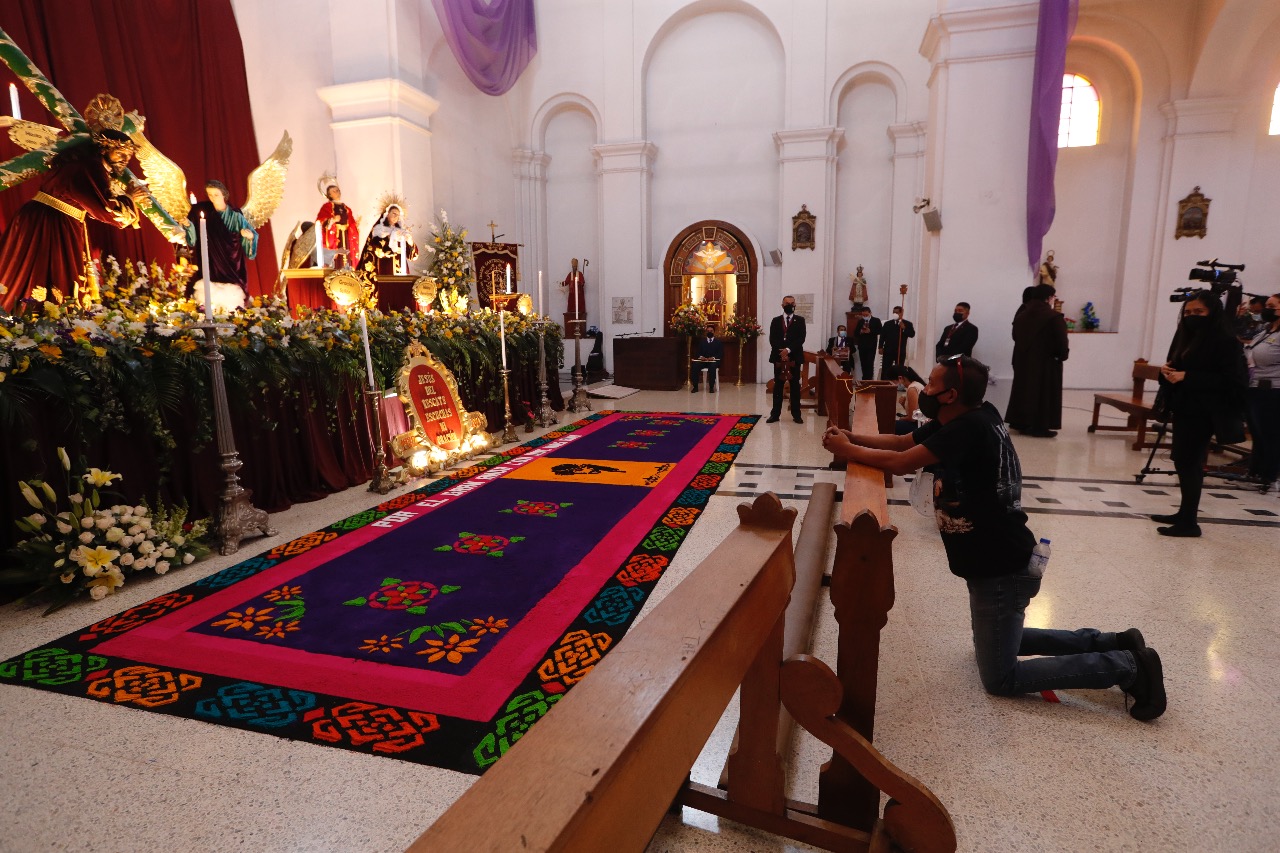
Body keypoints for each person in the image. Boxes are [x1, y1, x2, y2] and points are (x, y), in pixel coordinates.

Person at [821, 356, 1166, 721]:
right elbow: (903, 440)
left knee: (1001, 677)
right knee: (996, 642)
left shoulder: (969, 428)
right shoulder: (970, 415)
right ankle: (1113, 641)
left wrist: (847, 452)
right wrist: (853, 437)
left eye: (932, 386)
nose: (925, 391)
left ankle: (1127, 666)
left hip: (1001, 566)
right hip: (997, 558)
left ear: (950, 395)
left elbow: (903, 462)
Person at [0, 126, 149, 311]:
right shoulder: (90, 167)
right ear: (104, 148)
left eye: (129, 155)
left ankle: (31, 319)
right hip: (53, 223)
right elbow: (104, 209)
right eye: (121, 153)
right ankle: (44, 322)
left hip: (45, 217)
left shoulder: (84, 163)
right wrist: (130, 198)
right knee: (49, 273)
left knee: (29, 272)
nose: (125, 160)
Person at [1151, 291, 1248, 537]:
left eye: (1199, 312)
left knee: (1189, 461)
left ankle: (1189, 522)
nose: (1192, 316)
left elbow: (1232, 380)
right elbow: (1178, 366)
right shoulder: (1186, 335)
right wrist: (1166, 370)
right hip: (1186, 406)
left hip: (1206, 410)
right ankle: (1184, 513)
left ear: (1212, 313)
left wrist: (1188, 376)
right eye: (1188, 312)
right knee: (1184, 461)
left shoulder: (1225, 340)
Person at [1005, 283, 1069, 438]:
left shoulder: (1022, 315)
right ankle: (1040, 426)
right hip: (1046, 363)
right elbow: (1061, 341)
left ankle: (1021, 422)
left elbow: (1015, 336)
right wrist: (1061, 355)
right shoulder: (1053, 316)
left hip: (1023, 360)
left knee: (1024, 391)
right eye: (1054, 296)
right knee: (1043, 394)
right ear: (1048, 297)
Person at [186, 180, 259, 310]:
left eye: (216, 194)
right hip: (211, 258)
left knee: (231, 293)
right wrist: (188, 226)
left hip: (231, 260)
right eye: (210, 194)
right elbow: (193, 234)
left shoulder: (235, 215)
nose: (213, 197)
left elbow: (252, 234)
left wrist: (249, 236)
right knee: (210, 286)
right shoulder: (204, 212)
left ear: (224, 195)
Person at [1244, 293, 1280, 490]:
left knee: (1271, 434)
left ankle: (1269, 475)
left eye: (1271, 306)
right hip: (1255, 387)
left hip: (1274, 390)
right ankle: (1255, 471)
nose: (1266, 309)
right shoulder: (1265, 330)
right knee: (1258, 433)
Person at [767, 295, 806, 424]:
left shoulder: (800, 320)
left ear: (795, 305)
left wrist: (788, 350)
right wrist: (781, 351)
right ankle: (775, 414)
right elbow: (772, 338)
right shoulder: (775, 320)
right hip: (778, 358)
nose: (789, 305)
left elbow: (801, 339)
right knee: (778, 386)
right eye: (787, 303)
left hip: (794, 357)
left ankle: (796, 415)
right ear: (782, 305)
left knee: (795, 386)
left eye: (792, 303)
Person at [358, 204, 417, 277]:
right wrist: (391, 237)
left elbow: (412, 256)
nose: (396, 217)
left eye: (398, 215)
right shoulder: (379, 230)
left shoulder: (401, 231)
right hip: (385, 267)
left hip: (401, 269)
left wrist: (410, 242)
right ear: (387, 214)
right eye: (394, 213)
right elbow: (374, 248)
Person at [314, 178, 359, 266]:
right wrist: (332, 220)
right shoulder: (326, 207)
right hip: (334, 237)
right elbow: (320, 222)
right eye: (334, 191)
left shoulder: (346, 208)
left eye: (338, 190)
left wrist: (354, 225)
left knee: (347, 257)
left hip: (346, 236)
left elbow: (351, 223)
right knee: (338, 260)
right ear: (329, 195)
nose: (337, 192)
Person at [884, 365, 927, 433]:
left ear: (900, 378)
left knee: (888, 425)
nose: (893, 385)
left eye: (893, 382)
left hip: (920, 426)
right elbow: (914, 412)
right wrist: (904, 404)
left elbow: (913, 418)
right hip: (919, 423)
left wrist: (901, 418)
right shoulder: (915, 385)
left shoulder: (912, 389)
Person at [879, 305, 915, 375]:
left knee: (899, 369)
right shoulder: (887, 324)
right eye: (894, 313)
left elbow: (912, 334)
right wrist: (880, 347)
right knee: (886, 368)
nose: (895, 314)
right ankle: (885, 383)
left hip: (900, 350)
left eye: (897, 312)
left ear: (901, 313)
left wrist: (904, 328)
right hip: (888, 350)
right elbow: (882, 336)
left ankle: (897, 384)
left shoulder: (907, 324)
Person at [690, 322, 725, 392]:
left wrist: (713, 358)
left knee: (712, 366)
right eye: (708, 331)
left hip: (713, 361)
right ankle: (695, 387)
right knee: (695, 365)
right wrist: (701, 357)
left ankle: (711, 387)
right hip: (703, 361)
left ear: (714, 332)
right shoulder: (702, 342)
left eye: (711, 331)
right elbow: (698, 353)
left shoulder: (718, 342)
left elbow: (720, 353)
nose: (709, 332)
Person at [852, 305, 882, 381]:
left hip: (871, 346)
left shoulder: (876, 320)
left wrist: (870, 331)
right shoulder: (860, 321)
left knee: (869, 363)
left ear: (870, 313)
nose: (865, 316)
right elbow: (855, 333)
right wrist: (860, 332)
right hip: (862, 345)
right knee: (863, 363)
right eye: (863, 315)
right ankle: (864, 379)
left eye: (866, 315)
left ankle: (869, 380)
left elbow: (880, 331)